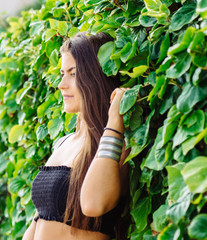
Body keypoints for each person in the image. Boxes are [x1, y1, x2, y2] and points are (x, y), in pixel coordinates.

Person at [23, 32, 130, 240]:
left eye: (73, 74)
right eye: (63, 73)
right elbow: (36, 225)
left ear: (95, 77)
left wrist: (115, 119)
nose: (62, 84)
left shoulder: (114, 144)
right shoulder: (63, 143)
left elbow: (93, 204)